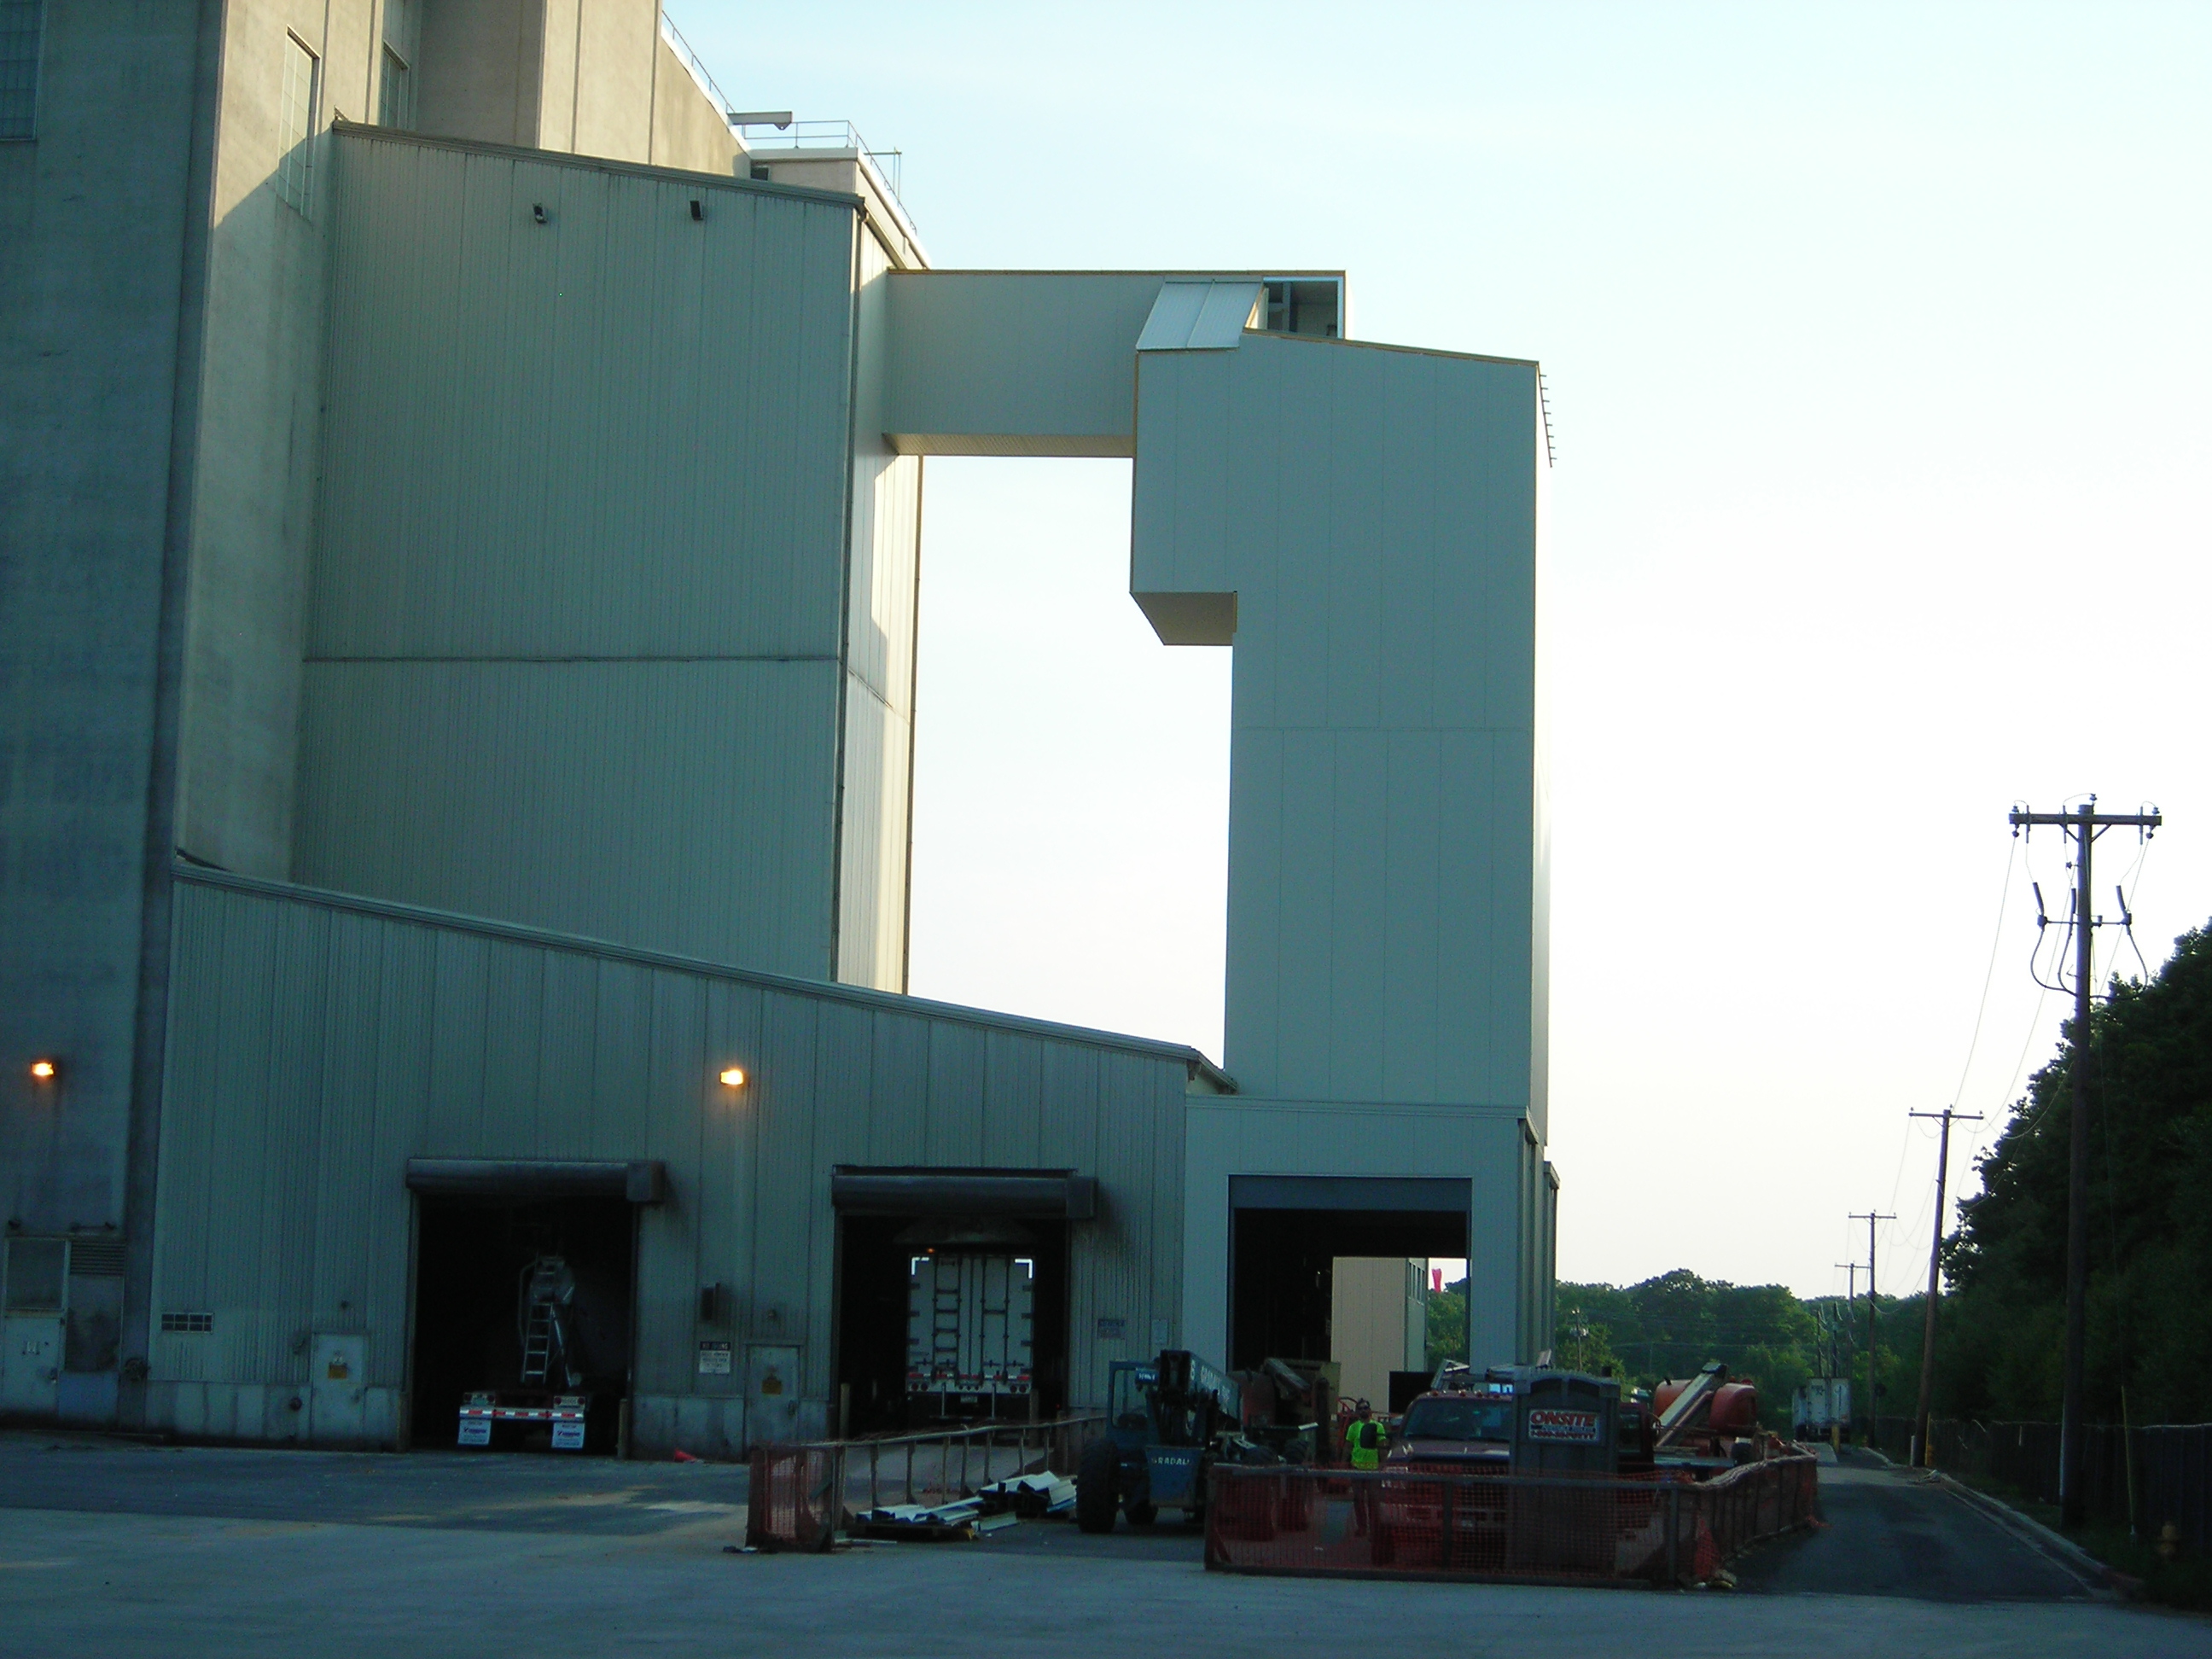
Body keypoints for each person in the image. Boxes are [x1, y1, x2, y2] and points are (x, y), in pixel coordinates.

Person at [1346, 1399, 1386, 1537]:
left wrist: (1383, 1465)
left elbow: (1382, 1447)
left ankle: (1374, 1529)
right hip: (1357, 1468)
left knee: (1373, 1501)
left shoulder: (1378, 1427)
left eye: (1366, 1408)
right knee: (1358, 1499)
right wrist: (1346, 1464)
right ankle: (1362, 1527)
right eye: (1360, 1408)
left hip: (1373, 1470)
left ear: (1369, 1410)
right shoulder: (1353, 1428)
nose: (1363, 1410)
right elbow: (1348, 1446)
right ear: (1357, 1411)